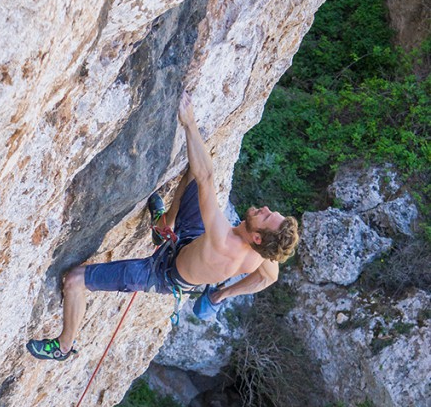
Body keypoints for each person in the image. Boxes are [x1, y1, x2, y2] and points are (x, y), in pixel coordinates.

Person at [26, 91, 299, 361]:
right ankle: (163, 225)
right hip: (191, 241)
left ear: (257, 238)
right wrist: (221, 295)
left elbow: (207, 176)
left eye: (265, 216)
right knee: (194, 166)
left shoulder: (225, 242)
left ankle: (63, 346)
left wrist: (188, 122)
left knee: (74, 280)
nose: (264, 209)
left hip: (162, 274)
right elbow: (269, 277)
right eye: (271, 212)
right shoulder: (262, 256)